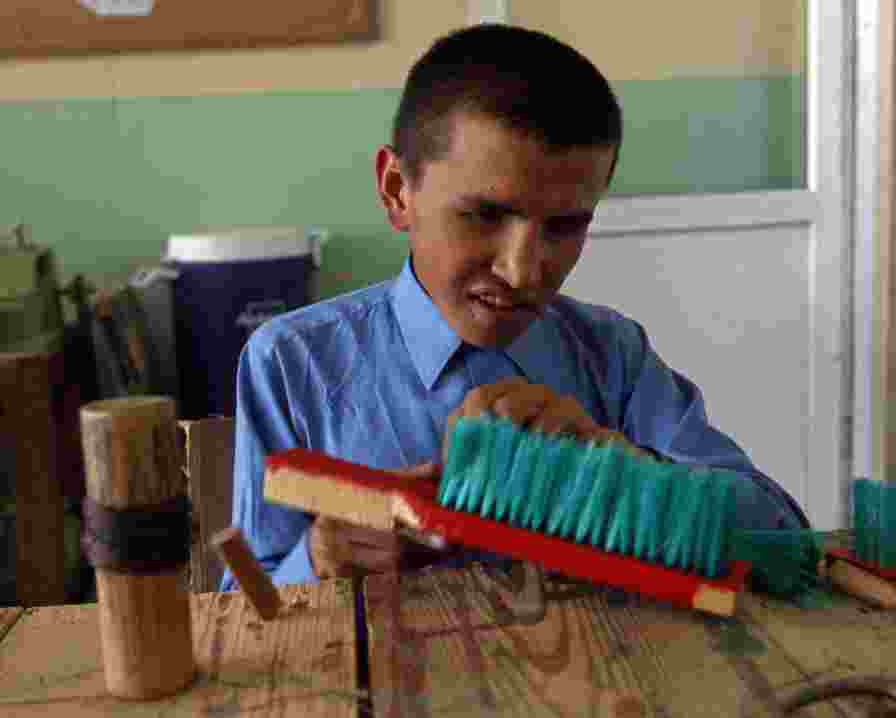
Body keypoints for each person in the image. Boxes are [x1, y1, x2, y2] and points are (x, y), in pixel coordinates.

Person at [221, 24, 809, 593]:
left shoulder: (612, 356)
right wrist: (317, 557)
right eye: (484, 215)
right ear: (398, 190)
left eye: (565, 226)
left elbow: (786, 543)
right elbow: (243, 602)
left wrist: (628, 468)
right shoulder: (295, 365)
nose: (523, 271)